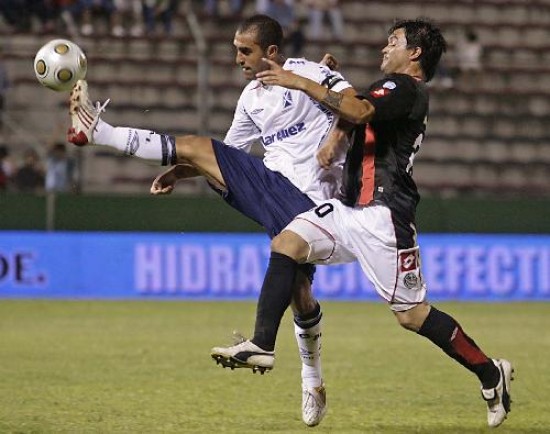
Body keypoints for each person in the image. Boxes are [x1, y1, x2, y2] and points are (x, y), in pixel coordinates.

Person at [210, 19, 514, 428]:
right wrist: (329, 97)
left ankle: (491, 372)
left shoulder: (404, 87)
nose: (385, 46)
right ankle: (262, 343)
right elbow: (348, 108)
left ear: (415, 54)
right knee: (287, 242)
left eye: (394, 41)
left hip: (385, 217)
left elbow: (357, 107)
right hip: (349, 210)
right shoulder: (388, 88)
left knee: (412, 315)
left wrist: (299, 80)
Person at [67, 14, 355, 427]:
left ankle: (99, 133)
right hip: (280, 200)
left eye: (246, 50)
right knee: (300, 293)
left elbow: (356, 106)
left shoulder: (308, 73)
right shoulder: (251, 98)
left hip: (316, 202)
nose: (236, 57)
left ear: (271, 52)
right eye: (235, 49)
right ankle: (313, 382)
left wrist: (332, 136)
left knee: (299, 292)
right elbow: (228, 157)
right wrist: (180, 170)